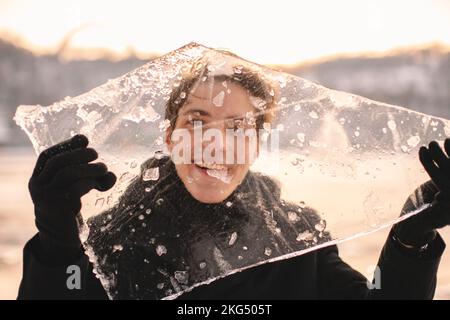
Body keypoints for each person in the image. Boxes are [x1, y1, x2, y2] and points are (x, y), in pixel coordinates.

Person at [18, 54, 450, 299]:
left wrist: (410, 238)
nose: (215, 144)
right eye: (198, 121)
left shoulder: (299, 237)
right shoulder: (107, 242)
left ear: (258, 145)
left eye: (237, 127)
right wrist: (56, 246)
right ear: (170, 137)